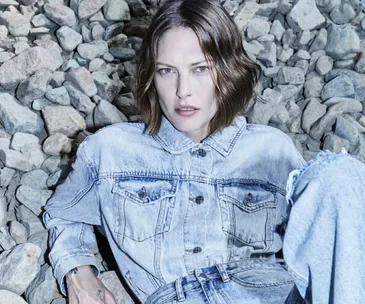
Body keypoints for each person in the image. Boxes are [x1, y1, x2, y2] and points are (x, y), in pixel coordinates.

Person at [43, 0, 365, 303]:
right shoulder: (109, 151)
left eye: (199, 69)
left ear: (227, 70)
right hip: (176, 295)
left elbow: (322, 245)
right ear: (151, 77)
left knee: (341, 173)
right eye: (167, 71)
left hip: (271, 294)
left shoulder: (272, 150)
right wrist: (78, 273)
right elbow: (63, 214)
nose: (183, 91)